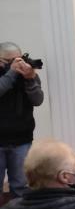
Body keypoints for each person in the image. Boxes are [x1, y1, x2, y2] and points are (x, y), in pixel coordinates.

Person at [0, 42, 44, 200]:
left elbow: (38, 100)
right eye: (11, 61)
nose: (18, 64)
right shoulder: (11, 75)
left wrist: (30, 79)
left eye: (19, 59)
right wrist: (11, 73)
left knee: (21, 187)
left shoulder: (28, 75)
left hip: (22, 141)